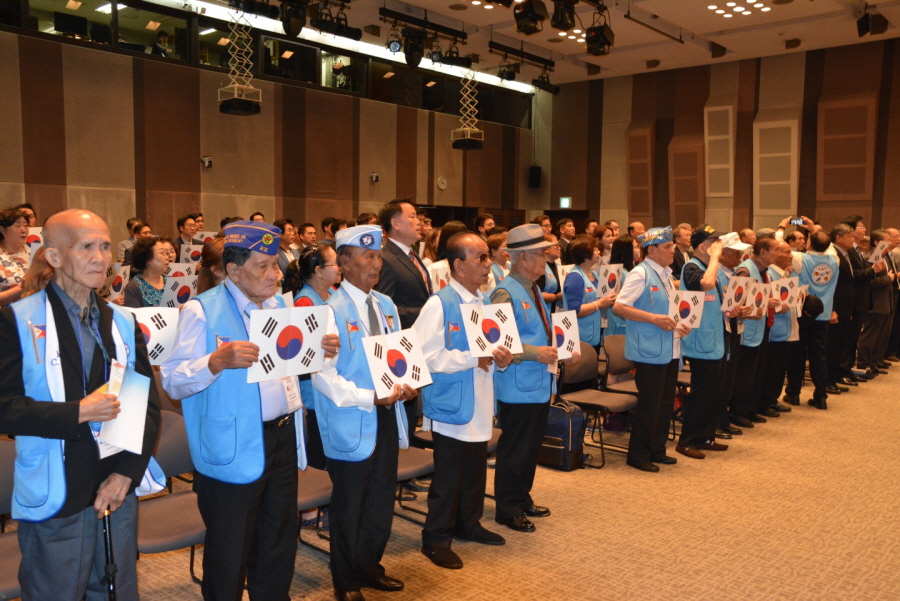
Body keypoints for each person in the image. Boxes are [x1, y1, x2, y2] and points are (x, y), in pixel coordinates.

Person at [161, 220, 339, 601]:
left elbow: (292, 369)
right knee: (229, 549)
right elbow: (172, 380)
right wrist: (214, 361)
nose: (276, 274)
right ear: (234, 270)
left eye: (276, 264)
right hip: (233, 444)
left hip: (283, 436)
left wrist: (322, 352)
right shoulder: (201, 310)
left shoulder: (280, 306)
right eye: (264, 266)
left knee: (278, 541)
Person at [0, 209, 160, 600]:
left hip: (115, 488)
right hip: (59, 490)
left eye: (105, 246)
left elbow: (146, 405)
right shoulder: (16, 321)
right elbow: (5, 408)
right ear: (54, 256)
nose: (100, 258)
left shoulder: (122, 322)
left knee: (116, 591)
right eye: (86, 247)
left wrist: (126, 473)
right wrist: (78, 412)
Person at [312, 225, 414, 601]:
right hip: (351, 418)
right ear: (344, 262)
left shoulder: (385, 305)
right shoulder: (329, 311)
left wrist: (409, 382)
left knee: (381, 496)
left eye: (378, 257)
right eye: (367, 256)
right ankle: (346, 580)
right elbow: (323, 377)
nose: (376, 264)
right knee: (349, 504)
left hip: (386, 413)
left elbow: (398, 358)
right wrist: (369, 397)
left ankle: (370, 566)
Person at [413, 232, 512, 569]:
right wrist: (472, 358)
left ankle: (469, 524)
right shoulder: (439, 304)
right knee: (448, 476)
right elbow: (425, 357)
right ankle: (435, 539)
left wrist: (501, 358)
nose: (488, 264)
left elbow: (490, 351)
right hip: (451, 403)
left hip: (480, 399)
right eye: (481, 258)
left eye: (488, 257)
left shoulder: (483, 302)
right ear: (458, 265)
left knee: (474, 470)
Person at [490, 224, 568, 532]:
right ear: (522, 258)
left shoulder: (532, 288)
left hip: (536, 383)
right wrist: (538, 353)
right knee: (516, 448)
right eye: (540, 254)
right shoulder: (505, 292)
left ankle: (522, 497)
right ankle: (507, 508)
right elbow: (498, 341)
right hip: (517, 385)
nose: (546, 260)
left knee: (531, 446)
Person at [613, 227, 689, 472]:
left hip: (669, 347)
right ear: (652, 250)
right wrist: (653, 318)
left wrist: (680, 325)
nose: (672, 250)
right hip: (648, 350)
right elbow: (620, 307)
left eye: (672, 246)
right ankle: (638, 454)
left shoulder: (666, 274)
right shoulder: (640, 273)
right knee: (649, 405)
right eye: (667, 247)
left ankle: (657, 449)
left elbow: (668, 310)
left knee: (665, 403)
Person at [374, 200, 430, 457]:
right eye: (413, 216)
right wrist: (426, 313)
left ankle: (408, 460)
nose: (419, 222)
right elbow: (384, 309)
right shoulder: (386, 258)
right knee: (402, 410)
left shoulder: (412, 255)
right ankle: (401, 464)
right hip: (397, 348)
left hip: (413, 344)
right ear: (395, 223)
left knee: (409, 406)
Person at [282, 243, 342, 471]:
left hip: (337, 381)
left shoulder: (334, 292)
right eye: (335, 263)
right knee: (320, 452)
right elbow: (304, 355)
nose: (340, 267)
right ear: (318, 271)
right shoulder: (305, 302)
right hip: (315, 389)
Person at [676, 225, 732, 459]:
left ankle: (705, 436)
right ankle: (687, 441)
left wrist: (730, 309)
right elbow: (706, 285)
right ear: (702, 247)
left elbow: (715, 298)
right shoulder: (692, 267)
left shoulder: (711, 268)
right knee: (700, 394)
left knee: (714, 392)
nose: (719, 245)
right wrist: (716, 257)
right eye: (714, 242)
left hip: (717, 338)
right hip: (700, 342)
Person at [730, 236, 781, 426]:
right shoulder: (745, 270)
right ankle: (738, 412)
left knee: (756, 372)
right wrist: (765, 301)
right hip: (746, 330)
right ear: (763, 252)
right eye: (775, 250)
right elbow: (736, 299)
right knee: (744, 374)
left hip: (760, 328)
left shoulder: (763, 272)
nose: (778, 254)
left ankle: (751, 409)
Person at [785, 230, 838, 409]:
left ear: (809, 244)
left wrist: (781, 228)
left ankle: (793, 393)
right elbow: (830, 247)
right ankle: (821, 396)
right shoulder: (835, 260)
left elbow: (780, 247)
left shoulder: (800, 259)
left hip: (802, 312)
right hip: (823, 314)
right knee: (818, 355)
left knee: (797, 354)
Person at [716, 233, 753, 437]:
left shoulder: (734, 275)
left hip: (735, 328)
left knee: (730, 377)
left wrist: (744, 309)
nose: (739, 256)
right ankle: (717, 421)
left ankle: (723, 418)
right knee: (721, 379)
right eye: (735, 252)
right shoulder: (716, 275)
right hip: (722, 331)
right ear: (722, 253)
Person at [842, 215, 887, 380]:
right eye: (861, 227)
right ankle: (844, 370)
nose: (864, 230)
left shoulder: (856, 250)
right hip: (854, 300)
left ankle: (848, 369)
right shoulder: (850, 251)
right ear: (851, 231)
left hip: (862, 300)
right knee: (848, 339)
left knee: (853, 339)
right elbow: (855, 275)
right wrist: (874, 271)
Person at [756, 240, 796, 416]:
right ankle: (766, 401)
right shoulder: (770, 273)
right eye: (786, 252)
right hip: (774, 330)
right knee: (771, 369)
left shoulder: (783, 273)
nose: (790, 256)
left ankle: (772, 399)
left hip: (784, 328)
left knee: (779, 368)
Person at [562, 235, 615, 352]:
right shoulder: (575, 277)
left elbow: (601, 297)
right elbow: (574, 311)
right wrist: (600, 303)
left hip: (594, 332)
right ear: (585, 256)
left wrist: (609, 298)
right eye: (595, 250)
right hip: (580, 336)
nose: (599, 252)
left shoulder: (593, 274)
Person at [855, 229, 895, 377]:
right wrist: (889, 278)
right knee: (870, 335)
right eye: (886, 240)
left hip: (885, 302)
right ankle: (864, 364)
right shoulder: (872, 257)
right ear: (877, 242)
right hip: (875, 303)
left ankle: (873, 363)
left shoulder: (884, 256)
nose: (890, 243)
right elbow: (871, 281)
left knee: (880, 336)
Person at [123, 237, 170, 308]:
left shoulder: (170, 282)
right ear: (148, 260)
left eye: (166, 253)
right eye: (162, 253)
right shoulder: (133, 287)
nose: (167, 257)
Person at [605, 235, 637, 336]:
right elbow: (611, 298)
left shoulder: (631, 270)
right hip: (618, 322)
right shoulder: (617, 272)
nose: (638, 250)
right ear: (626, 251)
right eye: (635, 247)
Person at [0, 206, 30, 306]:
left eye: (25, 225)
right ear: (2, 230)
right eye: (18, 226)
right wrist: (23, 287)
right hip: (9, 314)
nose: (24, 230)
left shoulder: (34, 254)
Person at [537, 234, 562, 307]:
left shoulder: (559, 267)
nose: (559, 248)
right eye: (556, 246)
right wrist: (556, 297)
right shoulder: (539, 268)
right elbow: (535, 294)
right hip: (545, 309)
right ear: (546, 249)